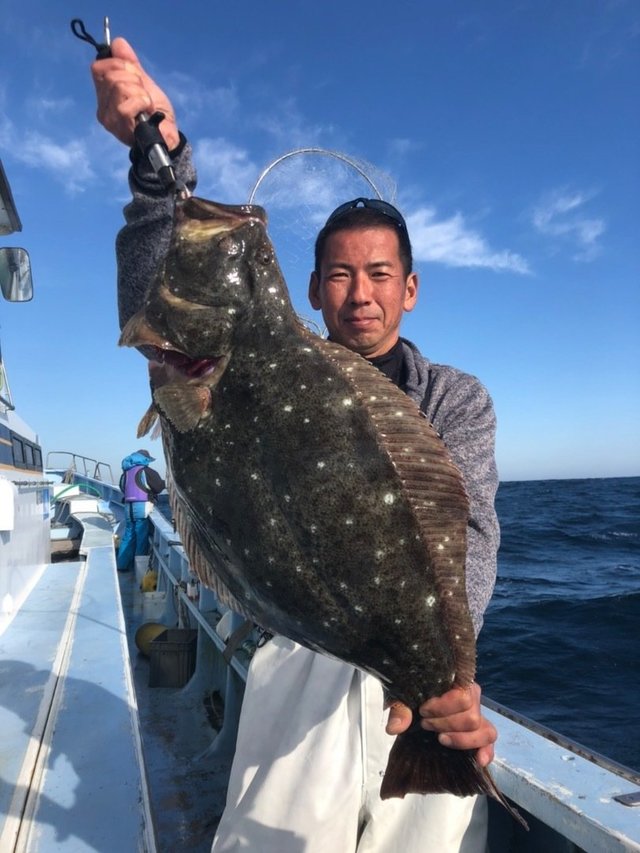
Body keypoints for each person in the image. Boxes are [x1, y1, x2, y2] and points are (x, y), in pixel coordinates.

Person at [92, 38, 500, 852]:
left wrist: (444, 677)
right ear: (310, 291)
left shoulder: (455, 399)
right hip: (297, 661)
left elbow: (469, 537)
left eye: (381, 274)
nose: (361, 294)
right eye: (340, 275)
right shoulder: (227, 362)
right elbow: (157, 300)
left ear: (410, 289)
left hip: (422, 679)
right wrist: (156, 168)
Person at [117, 448, 165, 572]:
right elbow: (158, 487)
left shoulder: (126, 472)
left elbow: (123, 487)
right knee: (141, 537)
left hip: (128, 508)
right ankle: (139, 569)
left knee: (128, 535)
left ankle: (121, 565)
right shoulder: (147, 471)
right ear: (145, 460)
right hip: (142, 507)